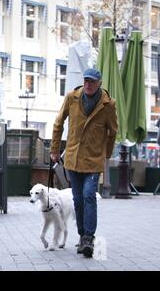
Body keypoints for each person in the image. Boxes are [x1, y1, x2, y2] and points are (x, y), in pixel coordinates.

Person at [50, 67, 118, 258]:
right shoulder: (72, 97)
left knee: (89, 195)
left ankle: (89, 237)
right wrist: (55, 149)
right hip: (73, 158)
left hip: (94, 159)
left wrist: (107, 154)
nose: (88, 84)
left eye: (92, 82)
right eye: (86, 80)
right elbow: (58, 123)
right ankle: (82, 236)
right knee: (78, 199)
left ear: (99, 84)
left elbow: (112, 131)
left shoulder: (108, 105)